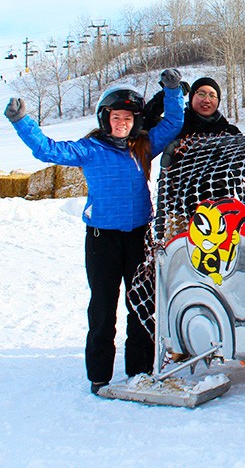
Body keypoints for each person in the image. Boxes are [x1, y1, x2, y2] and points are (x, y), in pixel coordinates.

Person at [4, 70, 185, 394]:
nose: (122, 123)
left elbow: (172, 124)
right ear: (105, 118)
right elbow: (48, 149)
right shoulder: (90, 149)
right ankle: (99, 375)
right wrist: (22, 121)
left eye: (128, 118)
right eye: (116, 117)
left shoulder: (142, 146)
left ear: (136, 121)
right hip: (102, 240)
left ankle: (139, 370)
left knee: (142, 305)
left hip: (139, 238)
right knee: (103, 307)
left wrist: (172, 91)